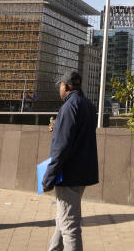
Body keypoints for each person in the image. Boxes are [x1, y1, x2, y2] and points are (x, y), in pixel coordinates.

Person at [42, 71, 98, 251]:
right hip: (82, 173)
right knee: (63, 219)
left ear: (65, 86)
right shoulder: (87, 105)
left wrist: (48, 178)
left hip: (68, 175)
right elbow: (77, 135)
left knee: (69, 226)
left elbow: (62, 147)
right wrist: (58, 126)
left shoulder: (68, 107)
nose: (59, 88)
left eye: (60, 85)